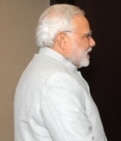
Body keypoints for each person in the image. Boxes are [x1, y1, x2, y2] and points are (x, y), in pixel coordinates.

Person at [14, 4, 107, 141]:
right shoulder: (57, 80)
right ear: (62, 39)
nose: (92, 42)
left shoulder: (36, 68)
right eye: (86, 36)